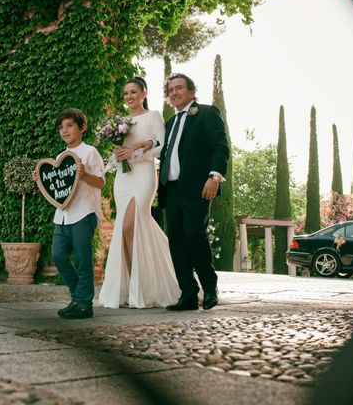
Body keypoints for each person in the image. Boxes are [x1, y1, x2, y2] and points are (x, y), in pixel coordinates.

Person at [99, 77, 180, 308]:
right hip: (123, 178)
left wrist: (137, 152)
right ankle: (133, 285)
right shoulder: (120, 122)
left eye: (133, 92)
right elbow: (117, 153)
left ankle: (141, 284)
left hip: (144, 174)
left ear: (144, 93)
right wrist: (119, 155)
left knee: (130, 224)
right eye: (125, 93)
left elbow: (162, 146)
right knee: (126, 229)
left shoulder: (153, 115)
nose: (129, 97)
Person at [158, 73, 229, 311]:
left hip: (198, 188)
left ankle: (210, 289)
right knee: (176, 241)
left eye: (179, 88)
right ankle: (187, 294)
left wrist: (214, 176)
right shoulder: (168, 124)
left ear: (191, 91)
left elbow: (220, 146)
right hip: (172, 189)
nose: (174, 92)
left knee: (194, 235)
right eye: (170, 89)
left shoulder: (207, 113)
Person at [47, 108, 105, 319]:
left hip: (83, 212)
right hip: (62, 214)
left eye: (70, 125)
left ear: (82, 127)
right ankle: (77, 296)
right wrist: (42, 179)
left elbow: (100, 182)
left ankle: (84, 304)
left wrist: (84, 174)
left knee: (82, 259)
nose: (65, 130)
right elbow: (56, 187)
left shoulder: (90, 152)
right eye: (61, 127)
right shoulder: (61, 156)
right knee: (58, 255)